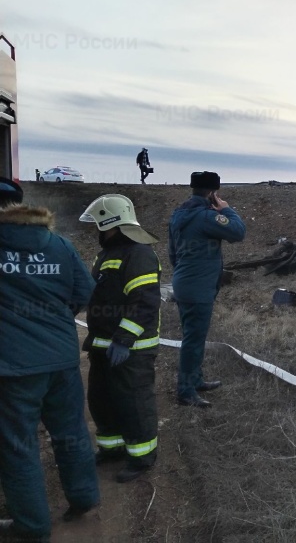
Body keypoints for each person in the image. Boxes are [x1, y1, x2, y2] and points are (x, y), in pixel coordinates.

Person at [0, 177, 100, 540]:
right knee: (71, 431)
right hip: (61, 358)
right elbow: (84, 292)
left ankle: (32, 526)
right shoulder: (58, 244)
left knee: (17, 444)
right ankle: (85, 498)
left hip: (13, 368)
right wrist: (53, 319)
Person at [79, 194, 162, 484]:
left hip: (132, 348)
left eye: (100, 226)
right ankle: (111, 448)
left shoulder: (138, 253)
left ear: (111, 223)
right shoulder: (107, 254)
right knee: (102, 400)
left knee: (134, 402)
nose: (97, 232)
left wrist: (124, 339)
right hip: (104, 345)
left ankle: (142, 456)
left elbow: (144, 302)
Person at [169, 171, 246, 407]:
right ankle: (186, 391)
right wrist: (226, 209)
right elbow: (238, 232)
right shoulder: (205, 217)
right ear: (213, 193)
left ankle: (195, 380)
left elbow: (172, 253)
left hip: (184, 282)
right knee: (194, 339)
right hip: (198, 288)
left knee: (194, 336)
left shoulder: (178, 214)